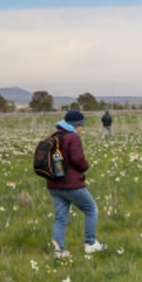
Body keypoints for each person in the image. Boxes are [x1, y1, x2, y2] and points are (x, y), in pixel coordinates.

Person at [46, 110, 106, 259]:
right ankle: (90, 243)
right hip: (71, 184)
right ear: (76, 125)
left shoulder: (54, 137)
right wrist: (86, 166)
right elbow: (78, 159)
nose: (82, 128)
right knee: (91, 209)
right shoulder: (72, 137)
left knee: (60, 218)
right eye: (81, 125)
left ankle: (59, 252)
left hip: (54, 185)